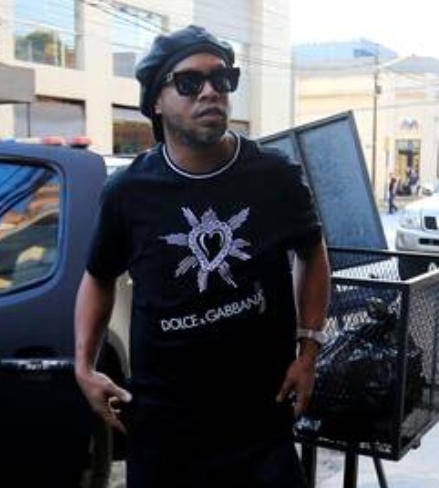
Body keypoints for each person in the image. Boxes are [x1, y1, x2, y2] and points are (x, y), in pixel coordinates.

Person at [74, 25, 331, 488]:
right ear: (156, 101)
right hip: (164, 433)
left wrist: (308, 351)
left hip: (261, 425)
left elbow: (312, 253)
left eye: (222, 78)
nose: (211, 91)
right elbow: (98, 276)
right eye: (190, 82)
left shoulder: (274, 177)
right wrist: (84, 367)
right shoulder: (128, 192)